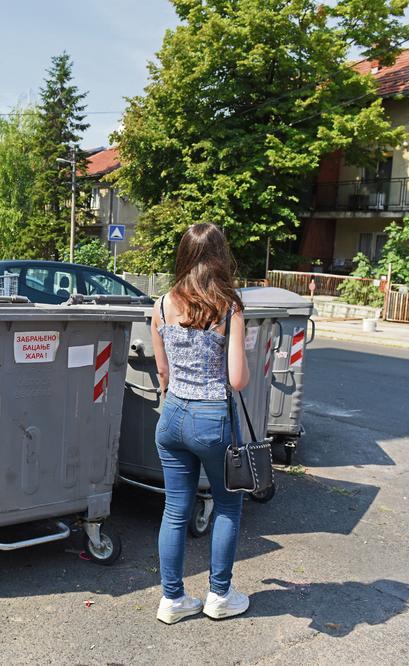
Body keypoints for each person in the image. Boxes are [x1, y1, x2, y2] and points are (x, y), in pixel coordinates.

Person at [150, 222, 250, 624]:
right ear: (220, 257)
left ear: (183, 256)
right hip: (212, 420)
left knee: (175, 510)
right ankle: (219, 595)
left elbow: (162, 372)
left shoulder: (160, 305)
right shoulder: (229, 307)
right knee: (228, 504)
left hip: (171, 417)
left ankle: (172, 600)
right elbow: (238, 380)